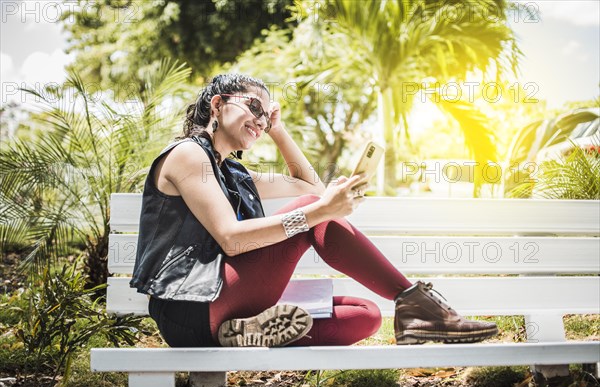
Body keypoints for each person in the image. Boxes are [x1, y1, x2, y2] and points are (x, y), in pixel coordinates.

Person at [130, 73, 497, 348]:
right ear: (217, 105)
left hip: (224, 304)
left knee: (364, 316)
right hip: (189, 308)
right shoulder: (189, 155)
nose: (259, 121)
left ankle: (245, 334)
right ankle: (416, 304)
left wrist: (279, 131)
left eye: (265, 116)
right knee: (311, 210)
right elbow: (232, 240)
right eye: (253, 107)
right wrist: (318, 211)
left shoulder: (232, 171)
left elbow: (311, 188)